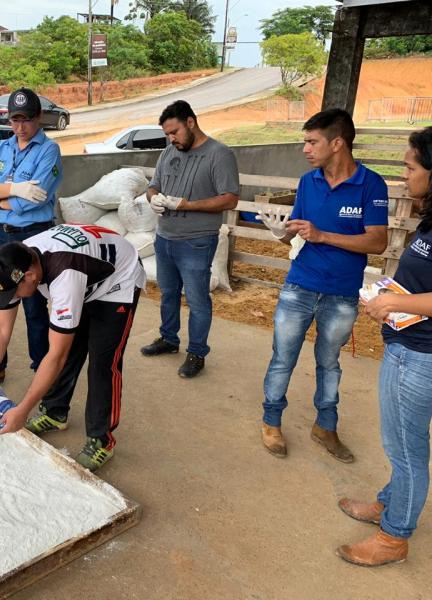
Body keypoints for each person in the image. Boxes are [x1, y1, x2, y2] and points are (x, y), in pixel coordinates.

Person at [257, 109, 388, 461]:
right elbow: (299, 237)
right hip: (299, 285)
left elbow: (377, 242)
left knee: (329, 362)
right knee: (282, 358)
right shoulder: (307, 182)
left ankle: (325, 427)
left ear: (337, 143)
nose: (305, 149)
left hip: (342, 293)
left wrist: (323, 235)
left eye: (312, 142)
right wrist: (280, 234)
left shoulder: (371, 184)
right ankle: (271, 422)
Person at [0, 223, 146, 471]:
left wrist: (22, 410)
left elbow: (55, 357)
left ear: (30, 277)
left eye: (13, 293)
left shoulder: (64, 276)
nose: (11, 299)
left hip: (118, 281)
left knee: (103, 362)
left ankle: (101, 440)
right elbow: (0, 330)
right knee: (70, 347)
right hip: (86, 270)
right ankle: (54, 412)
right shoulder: (17, 260)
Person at [335, 127, 432, 566]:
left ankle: (395, 537)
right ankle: (390, 504)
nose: (404, 177)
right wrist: (396, 292)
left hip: (421, 354)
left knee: (406, 448)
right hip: (406, 342)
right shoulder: (430, 217)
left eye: (410, 167)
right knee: (401, 440)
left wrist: (395, 300)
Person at [0, 88, 63, 390]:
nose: (20, 127)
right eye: (15, 120)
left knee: (34, 308)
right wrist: (17, 190)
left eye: (27, 120)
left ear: (39, 117)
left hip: (34, 235)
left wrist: (1, 198)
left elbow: (34, 200)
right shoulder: (2, 148)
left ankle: (43, 373)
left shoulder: (49, 151)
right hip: (0, 236)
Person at [141, 100, 239, 378]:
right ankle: (169, 339)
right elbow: (153, 186)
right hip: (165, 237)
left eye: (175, 132)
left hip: (197, 241)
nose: (171, 139)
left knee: (197, 300)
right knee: (168, 293)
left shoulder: (219, 154)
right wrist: (154, 200)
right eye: (167, 134)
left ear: (191, 123)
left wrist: (186, 205)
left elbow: (230, 199)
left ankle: (197, 352)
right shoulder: (168, 152)